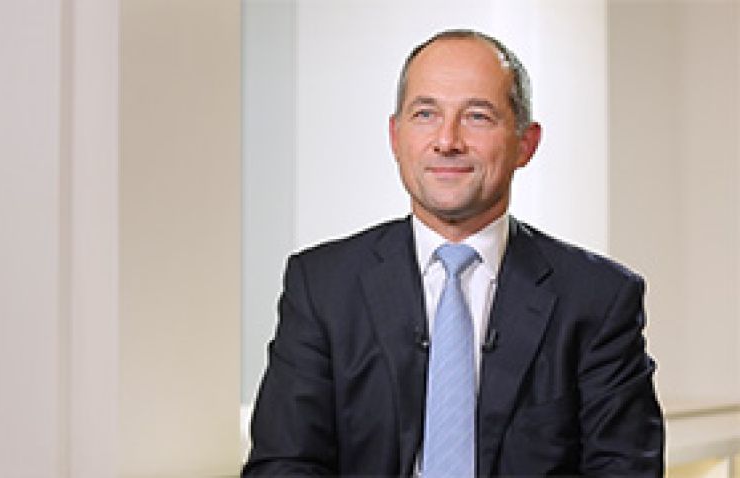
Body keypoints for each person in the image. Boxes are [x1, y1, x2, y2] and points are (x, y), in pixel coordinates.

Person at [242, 29, 664, 477]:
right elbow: (284, 465)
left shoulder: (598, 298)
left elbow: (624, 470)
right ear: (395, 136)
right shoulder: (322, 286)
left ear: (526, 143)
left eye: (477, 117)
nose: (447, 141)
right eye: (425, 114)